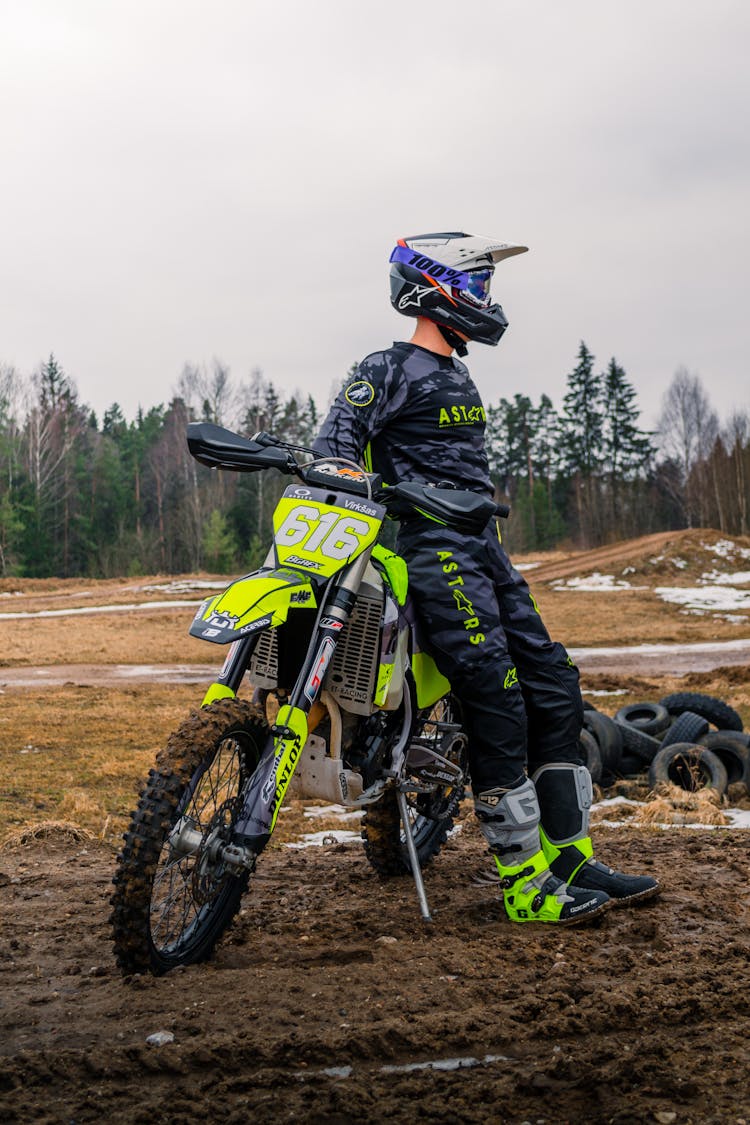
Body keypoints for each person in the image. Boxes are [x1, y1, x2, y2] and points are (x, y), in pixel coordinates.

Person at [315, 232, 659, 925]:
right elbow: (335, 443)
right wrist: (367, 487)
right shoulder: (387, 366)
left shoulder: (458, 374)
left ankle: (568, 858)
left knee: (555, 687)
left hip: (486, 551)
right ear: (437, 287)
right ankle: (524, 883)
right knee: (496, 695)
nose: (486, 300)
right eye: (478, 286)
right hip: (431, 550)